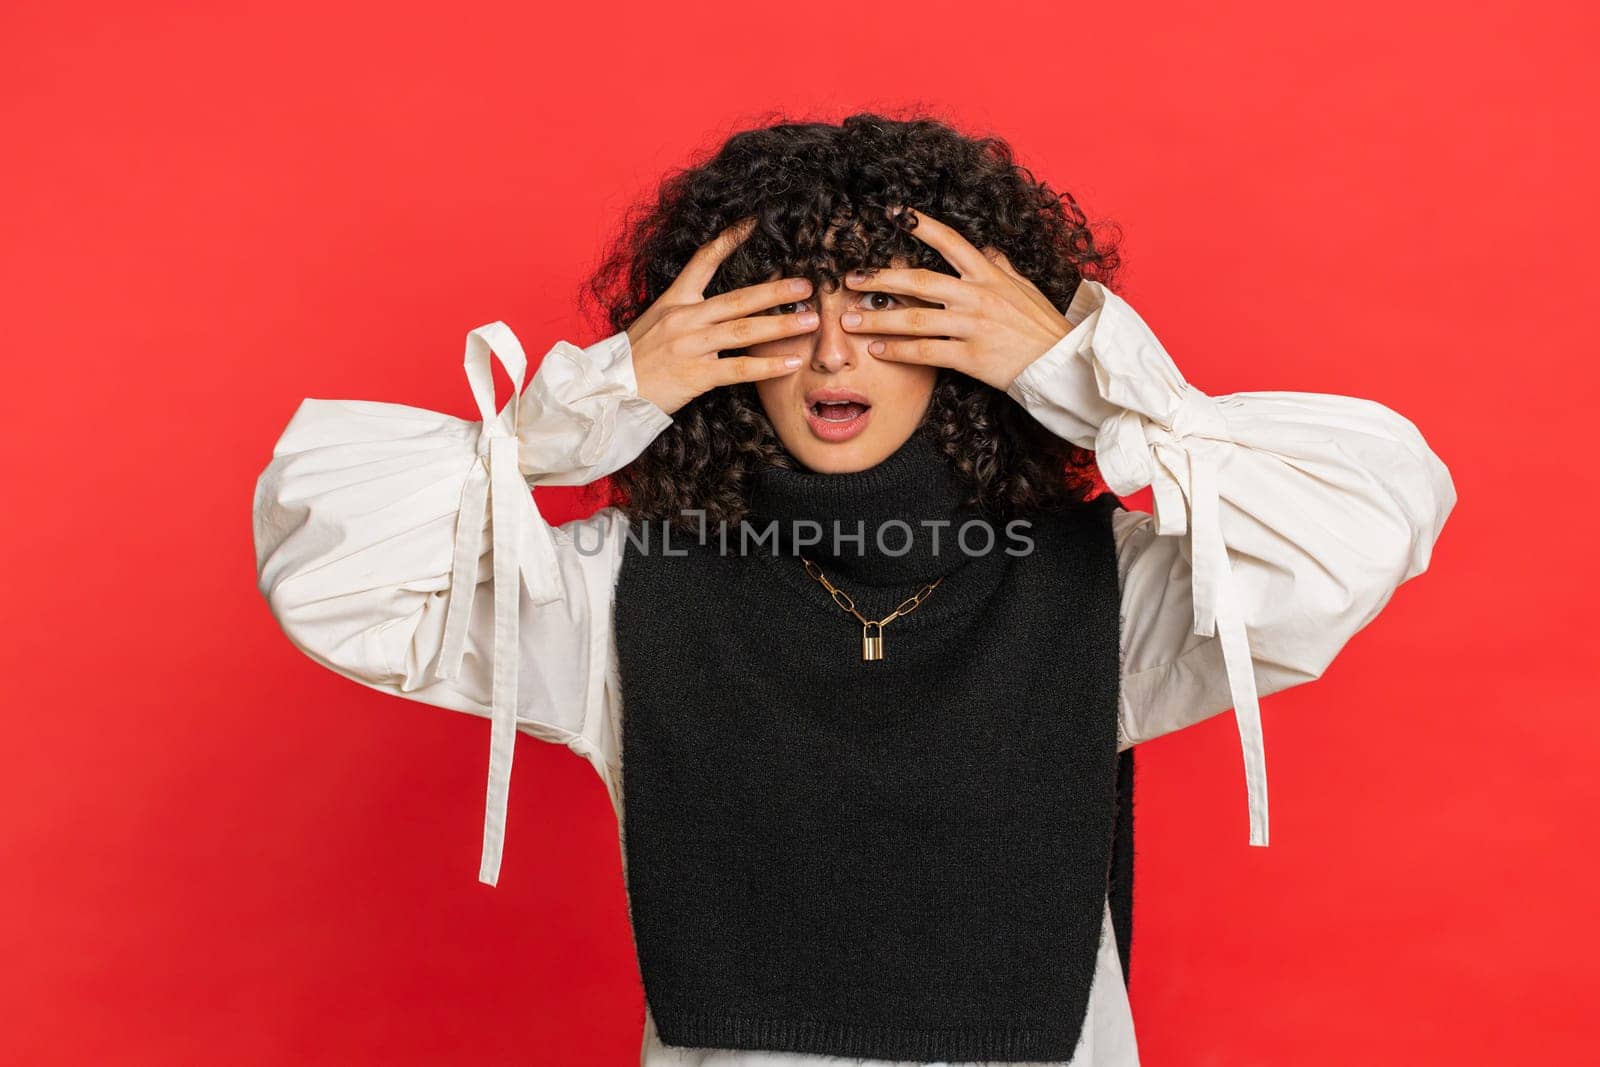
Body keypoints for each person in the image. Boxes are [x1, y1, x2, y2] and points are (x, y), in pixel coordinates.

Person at [251, 114, 1457, 1066]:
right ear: (718, 346)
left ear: (966, 342)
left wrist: (1080, 372)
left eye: (888, 309)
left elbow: (1358, 527)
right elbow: (334, 572)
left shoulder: (1106, 590)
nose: (834, 353)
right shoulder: (618, 587)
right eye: (788, 315)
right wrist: (589, 407)